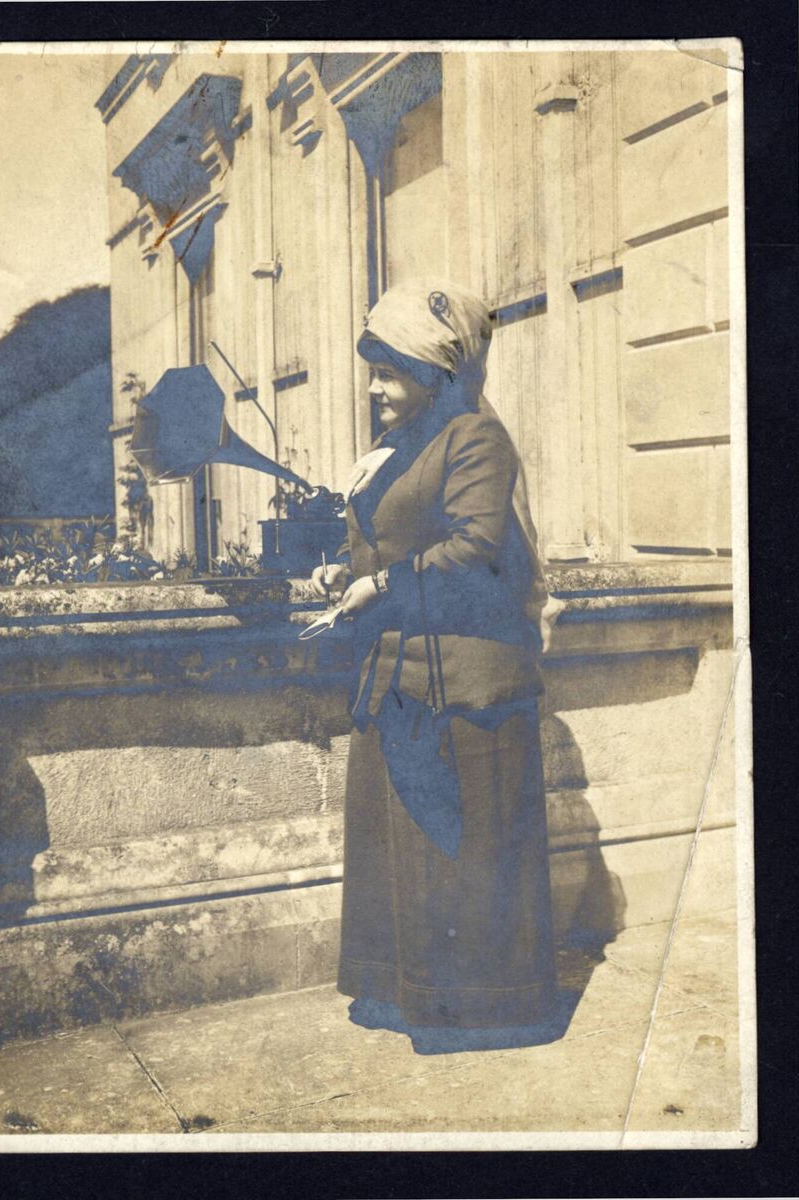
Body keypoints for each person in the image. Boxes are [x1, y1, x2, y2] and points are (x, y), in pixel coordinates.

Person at [311, 279, 567, 1055]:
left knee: (459, 849)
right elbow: (394, 539)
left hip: (464, 688)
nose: (375, 387)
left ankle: (487, 1009)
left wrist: (379, 586)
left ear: (438, 374)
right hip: (402, 679)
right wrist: (341, 571)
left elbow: (471, 551)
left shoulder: (475, 441)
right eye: (373, 369)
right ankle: (409, 992)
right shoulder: (407, 446)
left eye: (390, 372)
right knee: (407, 851)